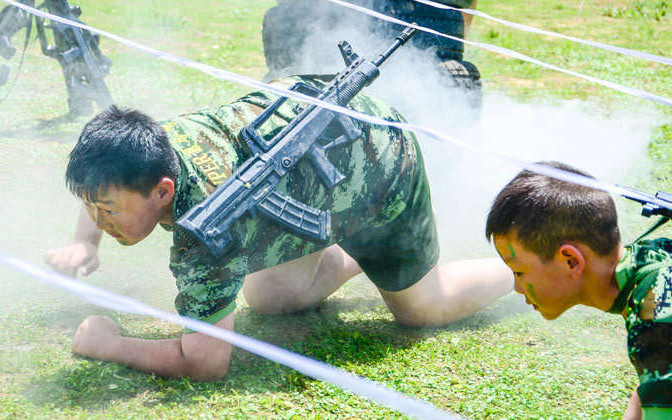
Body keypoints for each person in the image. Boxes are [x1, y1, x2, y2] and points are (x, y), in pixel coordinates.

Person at [45, 74, 512, 381]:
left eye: (107, 211)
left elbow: (205, 361)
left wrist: (109, 344)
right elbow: (101, 186)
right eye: (89, 207)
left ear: (163, 191)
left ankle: (522, 267)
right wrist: (83, 243)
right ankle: (354, 253)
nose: (98, 220)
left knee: (422, 307)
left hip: (376, 151)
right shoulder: (150, 145)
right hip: (307, 150)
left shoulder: (204, 229)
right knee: (270, 298)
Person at [485, 161, 672, 420]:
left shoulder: (657, 314)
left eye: (519, 272)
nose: (517, 288)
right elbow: (654, 380)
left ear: (571, 261)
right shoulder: (650, 265)